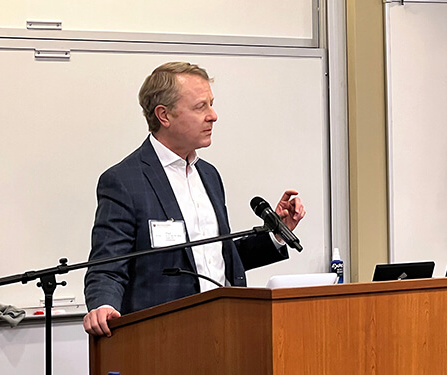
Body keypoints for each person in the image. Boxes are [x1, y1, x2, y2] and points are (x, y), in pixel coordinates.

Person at [83, 62, 306, 336]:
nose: (213, 116)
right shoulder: (124, 181)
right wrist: (103, 306)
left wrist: (276, 234)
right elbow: (106, 267)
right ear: (164, 115)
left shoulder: (209, 175)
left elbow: (218, 258)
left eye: (211, 104)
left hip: (225, 330)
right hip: (164, 337)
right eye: (201, 107)